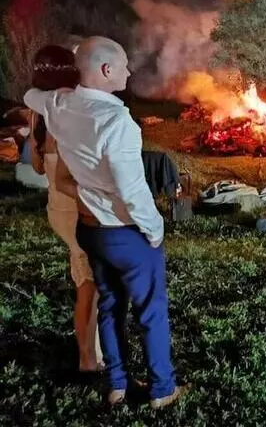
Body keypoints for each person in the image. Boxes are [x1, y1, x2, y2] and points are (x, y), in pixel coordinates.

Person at [24, 36, 183, 408]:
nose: (129, 71)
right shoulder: (117, 121)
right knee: (151, 310)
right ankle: (162, 390)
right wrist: (155, 230)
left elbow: (32, 94)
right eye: (124, 64)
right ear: (107, 70)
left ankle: (117, 384)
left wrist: (61, 85)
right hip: (123, 232)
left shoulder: (59, 103)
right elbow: (132, 190)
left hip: (88, 228)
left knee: (111, 305)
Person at [27, 45, 102, 372]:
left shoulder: (39, 110)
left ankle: (91, 353)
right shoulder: (68, 106)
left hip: (57, 210)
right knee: (91, 288)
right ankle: (89, 359)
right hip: (77, 208)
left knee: (85, 282)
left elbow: (38, 166)